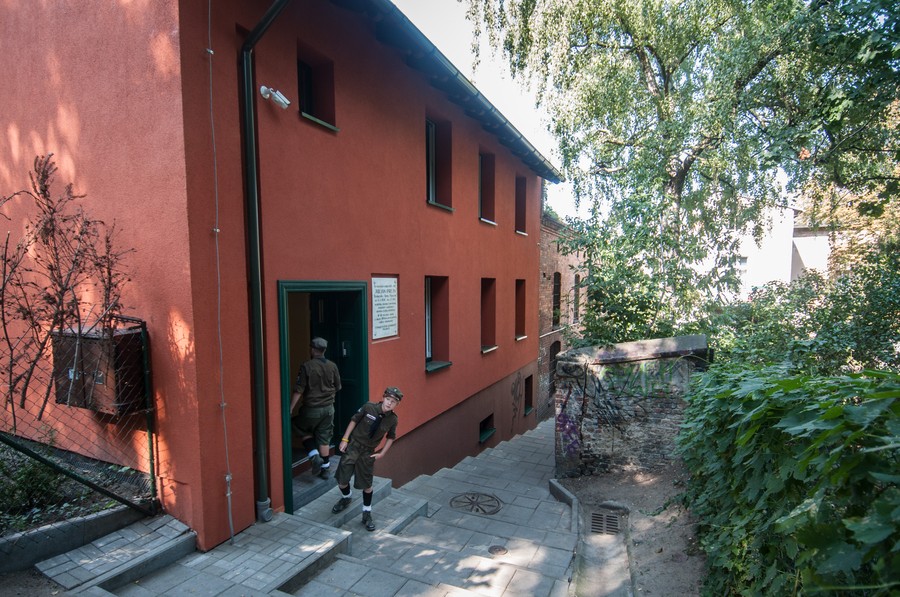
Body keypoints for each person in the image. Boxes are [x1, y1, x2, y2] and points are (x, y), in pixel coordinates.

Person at [331, 386, 402, 531]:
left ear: (397, 404)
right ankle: (346, 497)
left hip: (367, 452)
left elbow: (391, 437)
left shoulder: (393, 420)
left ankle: (366, 513)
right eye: (388, 399)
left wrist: (382, 453)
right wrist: (345, 439)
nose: (389, 403)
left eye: (393, 401)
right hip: (353, 447)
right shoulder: (369, 407)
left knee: (367, 485)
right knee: (342, 480)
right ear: (383, 398)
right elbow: (354, 420)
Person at [290, 337, 341, 480]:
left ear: (312, 349)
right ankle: (325, 469)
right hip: (329, 409)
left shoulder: (307, 366)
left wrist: (290, 407)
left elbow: (299, 390)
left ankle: (314, 455)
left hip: (311, 409)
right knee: (325, 437)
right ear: (324, 350)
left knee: (298, 426)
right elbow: (338, 387)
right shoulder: (332, 366)